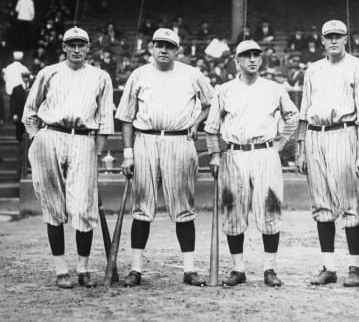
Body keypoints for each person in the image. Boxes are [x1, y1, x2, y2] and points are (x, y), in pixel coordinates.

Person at [115, 28, 215, 287]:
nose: (163, 50)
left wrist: (196, 123)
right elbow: (126, 117)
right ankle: (136, 269)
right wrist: (128, 153)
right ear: (151, 47)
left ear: (176, 50)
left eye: (169, 46)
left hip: (180, 140)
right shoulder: (139, 74)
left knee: (184, 208)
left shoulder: (191, 74)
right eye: (159, 45)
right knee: (141, 208)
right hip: (145, 140)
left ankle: (189, 269)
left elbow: (212, 103)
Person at [22, 26, 114, 289]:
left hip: (84, 138)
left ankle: (83, 268)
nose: (76, 50)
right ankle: (61, 267)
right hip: (50, 134)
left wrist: (96, 150)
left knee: (83, 206)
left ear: (88, 48)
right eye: (71, 45)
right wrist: (37, 138)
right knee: (53, 204)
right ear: (63, 47)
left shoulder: (100, 76)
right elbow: (30, 111)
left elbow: (105, 119)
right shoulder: (48, 72)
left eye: (81, 45)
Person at [205, 40, 299, 287]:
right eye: (246, 56)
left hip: (265, 153)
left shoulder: (274, 88)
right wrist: (215, 154)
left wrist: (280, 141)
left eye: (256, 55)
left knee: (270, 209)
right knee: (233, 211)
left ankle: (269, 268)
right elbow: (211, 127)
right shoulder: (224, 90)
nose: (252, 59)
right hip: (234, 155)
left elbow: (293, 116)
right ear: (237, 61)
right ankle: (238, 268)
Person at [296, 20, 359, 287]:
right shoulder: (313, 70)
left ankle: (354, 266)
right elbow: (304, 112)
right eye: (329, 37)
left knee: (350, 204)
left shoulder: (358, 67)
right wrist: (300, 147)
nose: (334, 41)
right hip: (316, 136)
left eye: (339, 36)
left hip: (344, 132)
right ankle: (328, 266)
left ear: (346, 39)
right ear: (322, 40)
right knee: (321, 204)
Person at [10, 71, 30, 142]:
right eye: (24, 77)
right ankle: (20, 150)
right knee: (19, 134)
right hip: (19, 114)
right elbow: (12, 102)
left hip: (29, 115)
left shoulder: (31, 88)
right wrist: (14, 113)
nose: (26, 79)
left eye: (27, 77)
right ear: (22, 78)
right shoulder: (16, 89)